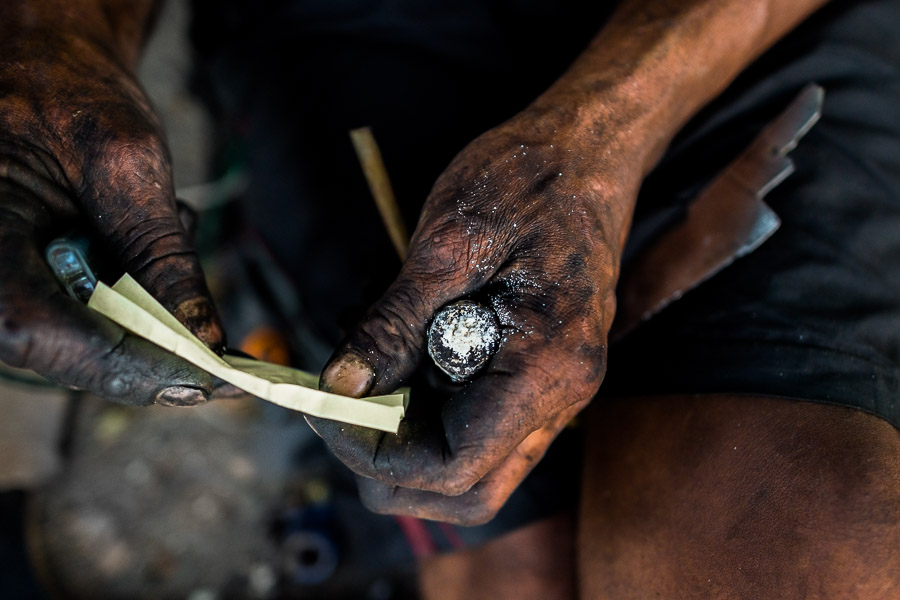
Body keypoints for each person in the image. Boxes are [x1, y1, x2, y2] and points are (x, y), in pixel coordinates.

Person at [2, 0, 900, 597]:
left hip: (754, 24)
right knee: (507, 562)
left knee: (794, 537)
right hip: (355, 19)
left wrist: (605, 131)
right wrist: (54, 36)